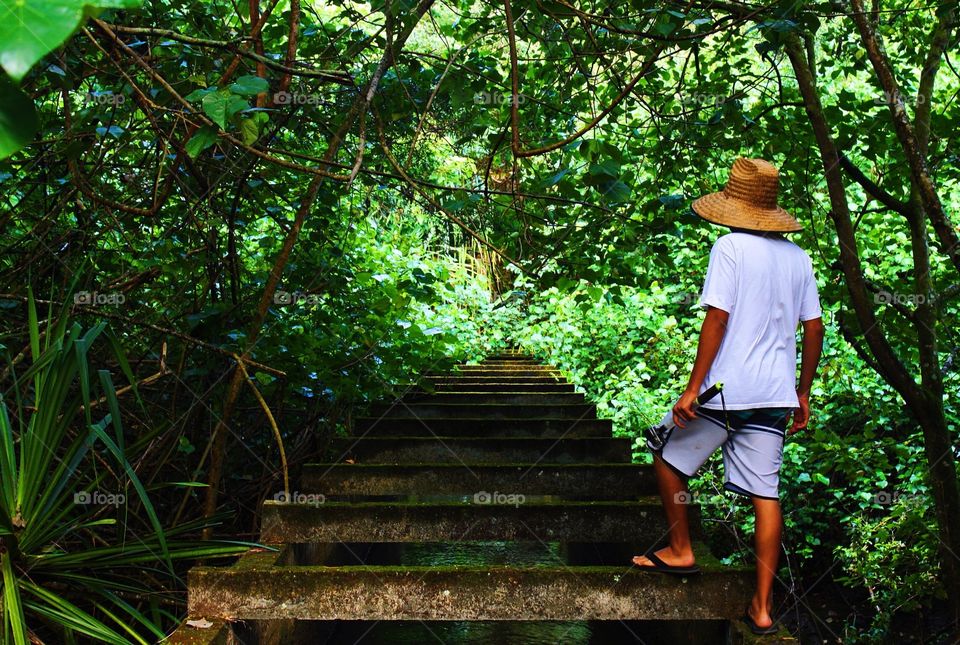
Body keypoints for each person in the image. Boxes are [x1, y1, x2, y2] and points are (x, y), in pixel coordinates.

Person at [631, 158, 825, 636]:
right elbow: (815, 327)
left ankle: (681, 549)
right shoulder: (798, 258)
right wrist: (801, 391)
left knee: (668, 457)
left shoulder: (731, 247)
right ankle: (761, 608)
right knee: (766, 493)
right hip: (774, 397)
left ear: (734, 204)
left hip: (727, 392)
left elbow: (716, 319)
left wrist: (693, 388)